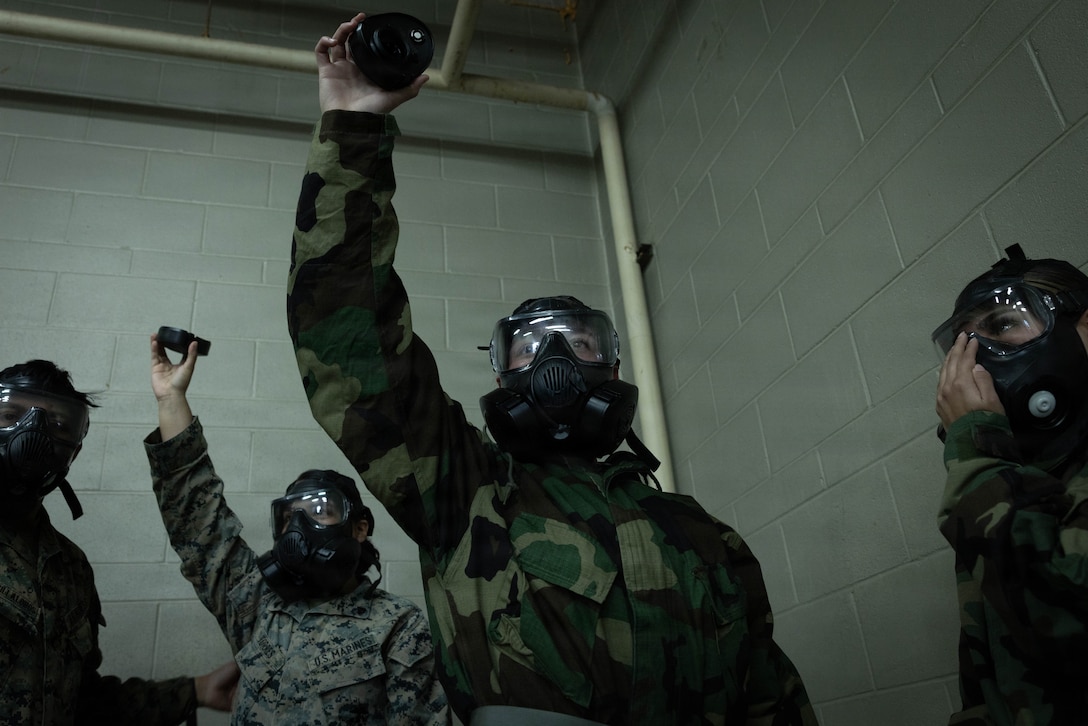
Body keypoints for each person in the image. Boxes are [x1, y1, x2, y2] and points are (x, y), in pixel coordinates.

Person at [285, 12, 817, 725]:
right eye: (529, 348)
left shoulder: (702, 536)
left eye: (580, 343)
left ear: (614, 365)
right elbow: (349, 336)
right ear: (502, 376)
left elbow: (772, 701)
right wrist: (352, 129)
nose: (556, 362)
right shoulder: (463, 495)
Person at [145, 332, 449, 725]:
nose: (299, 526)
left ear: (358, 528)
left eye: (320, 510)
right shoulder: (257, 605)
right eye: (290, 516)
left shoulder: (397, 625)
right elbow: (199, 521)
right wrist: (171, 400)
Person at [0, 358, 238, 725]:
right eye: (11, 413)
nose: (33, 434)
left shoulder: (67, 566)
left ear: (74, 451)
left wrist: (196, 691)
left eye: (60, 424)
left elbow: (83, 703)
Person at [932, 244, 1088, 725]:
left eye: (1001, 326)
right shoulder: (1017, 476)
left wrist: (977, 449)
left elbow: (1065, 618)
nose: (976, 361)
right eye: (963, 344)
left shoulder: (987, 470)